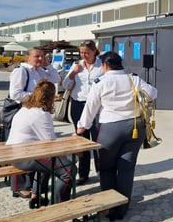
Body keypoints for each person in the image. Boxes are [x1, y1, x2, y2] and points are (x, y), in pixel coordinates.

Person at [77, 51, 157, 221]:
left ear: (105, 65)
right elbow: (152, 93)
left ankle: (110, 207)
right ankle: (122, 208)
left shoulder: (101, 82)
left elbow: (90, 108)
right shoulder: (133, 78)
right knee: (126, 169)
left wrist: (81, 127)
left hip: (110, 127)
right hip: (134, 126)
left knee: (107, 168)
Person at [6, 79, 74, 209]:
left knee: (48, 160)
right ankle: (58, 206)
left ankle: (36, 195)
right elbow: (51, 143)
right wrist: (71, 147)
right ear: (50, 98)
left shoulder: (25, 109)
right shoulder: (42, 114)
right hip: (24, 157)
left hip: (15, 153)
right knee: (69, 169)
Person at [8, 47, 61, 198]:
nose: (40, 59)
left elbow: (56, 79)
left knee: (36, 146)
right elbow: (15, 94)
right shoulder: (21, 71)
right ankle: (20, 187)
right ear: (28, 57)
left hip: (38, 109)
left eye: (42, 56)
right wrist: (38, 97)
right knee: (22, 144)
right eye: (37, 56)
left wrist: (48, 65)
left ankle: (34, 186)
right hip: (25, 109)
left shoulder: (41, 71)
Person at [62, 40, 103, 185]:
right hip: (79, 104)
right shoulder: (77, 65)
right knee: (82, 140)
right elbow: (65, 85)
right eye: (81, 52)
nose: (83, 55)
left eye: (86, 52)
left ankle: (101, 171)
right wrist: (73, 73)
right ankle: (83, 173)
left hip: (97, 106)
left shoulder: (102, 65)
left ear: (94, 51)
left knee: (97, 139)